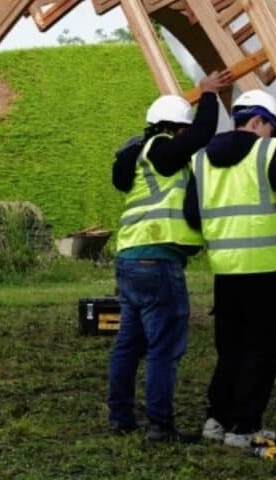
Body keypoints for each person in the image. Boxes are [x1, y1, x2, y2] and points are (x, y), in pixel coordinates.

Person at [186, 89, 276, 448]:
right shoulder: (264, 151)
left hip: (225, 271)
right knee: (260, 350)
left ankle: (216, 420)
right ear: (257, 121)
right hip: (262, 272)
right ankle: (245, 428)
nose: (273, 137)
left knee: (230, 349)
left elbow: (191, 214)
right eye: (272, 128)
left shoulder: (202, 160)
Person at [107, 70, 234, 443]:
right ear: (174, 128)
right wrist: (209, 94)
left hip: (130, 259)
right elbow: (201, 135)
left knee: (130, 344)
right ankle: (160, 425)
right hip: (156, 260)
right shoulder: (161, 149)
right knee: (164, 347)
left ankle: (120, 416)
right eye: (184, 130)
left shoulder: (136, 156)